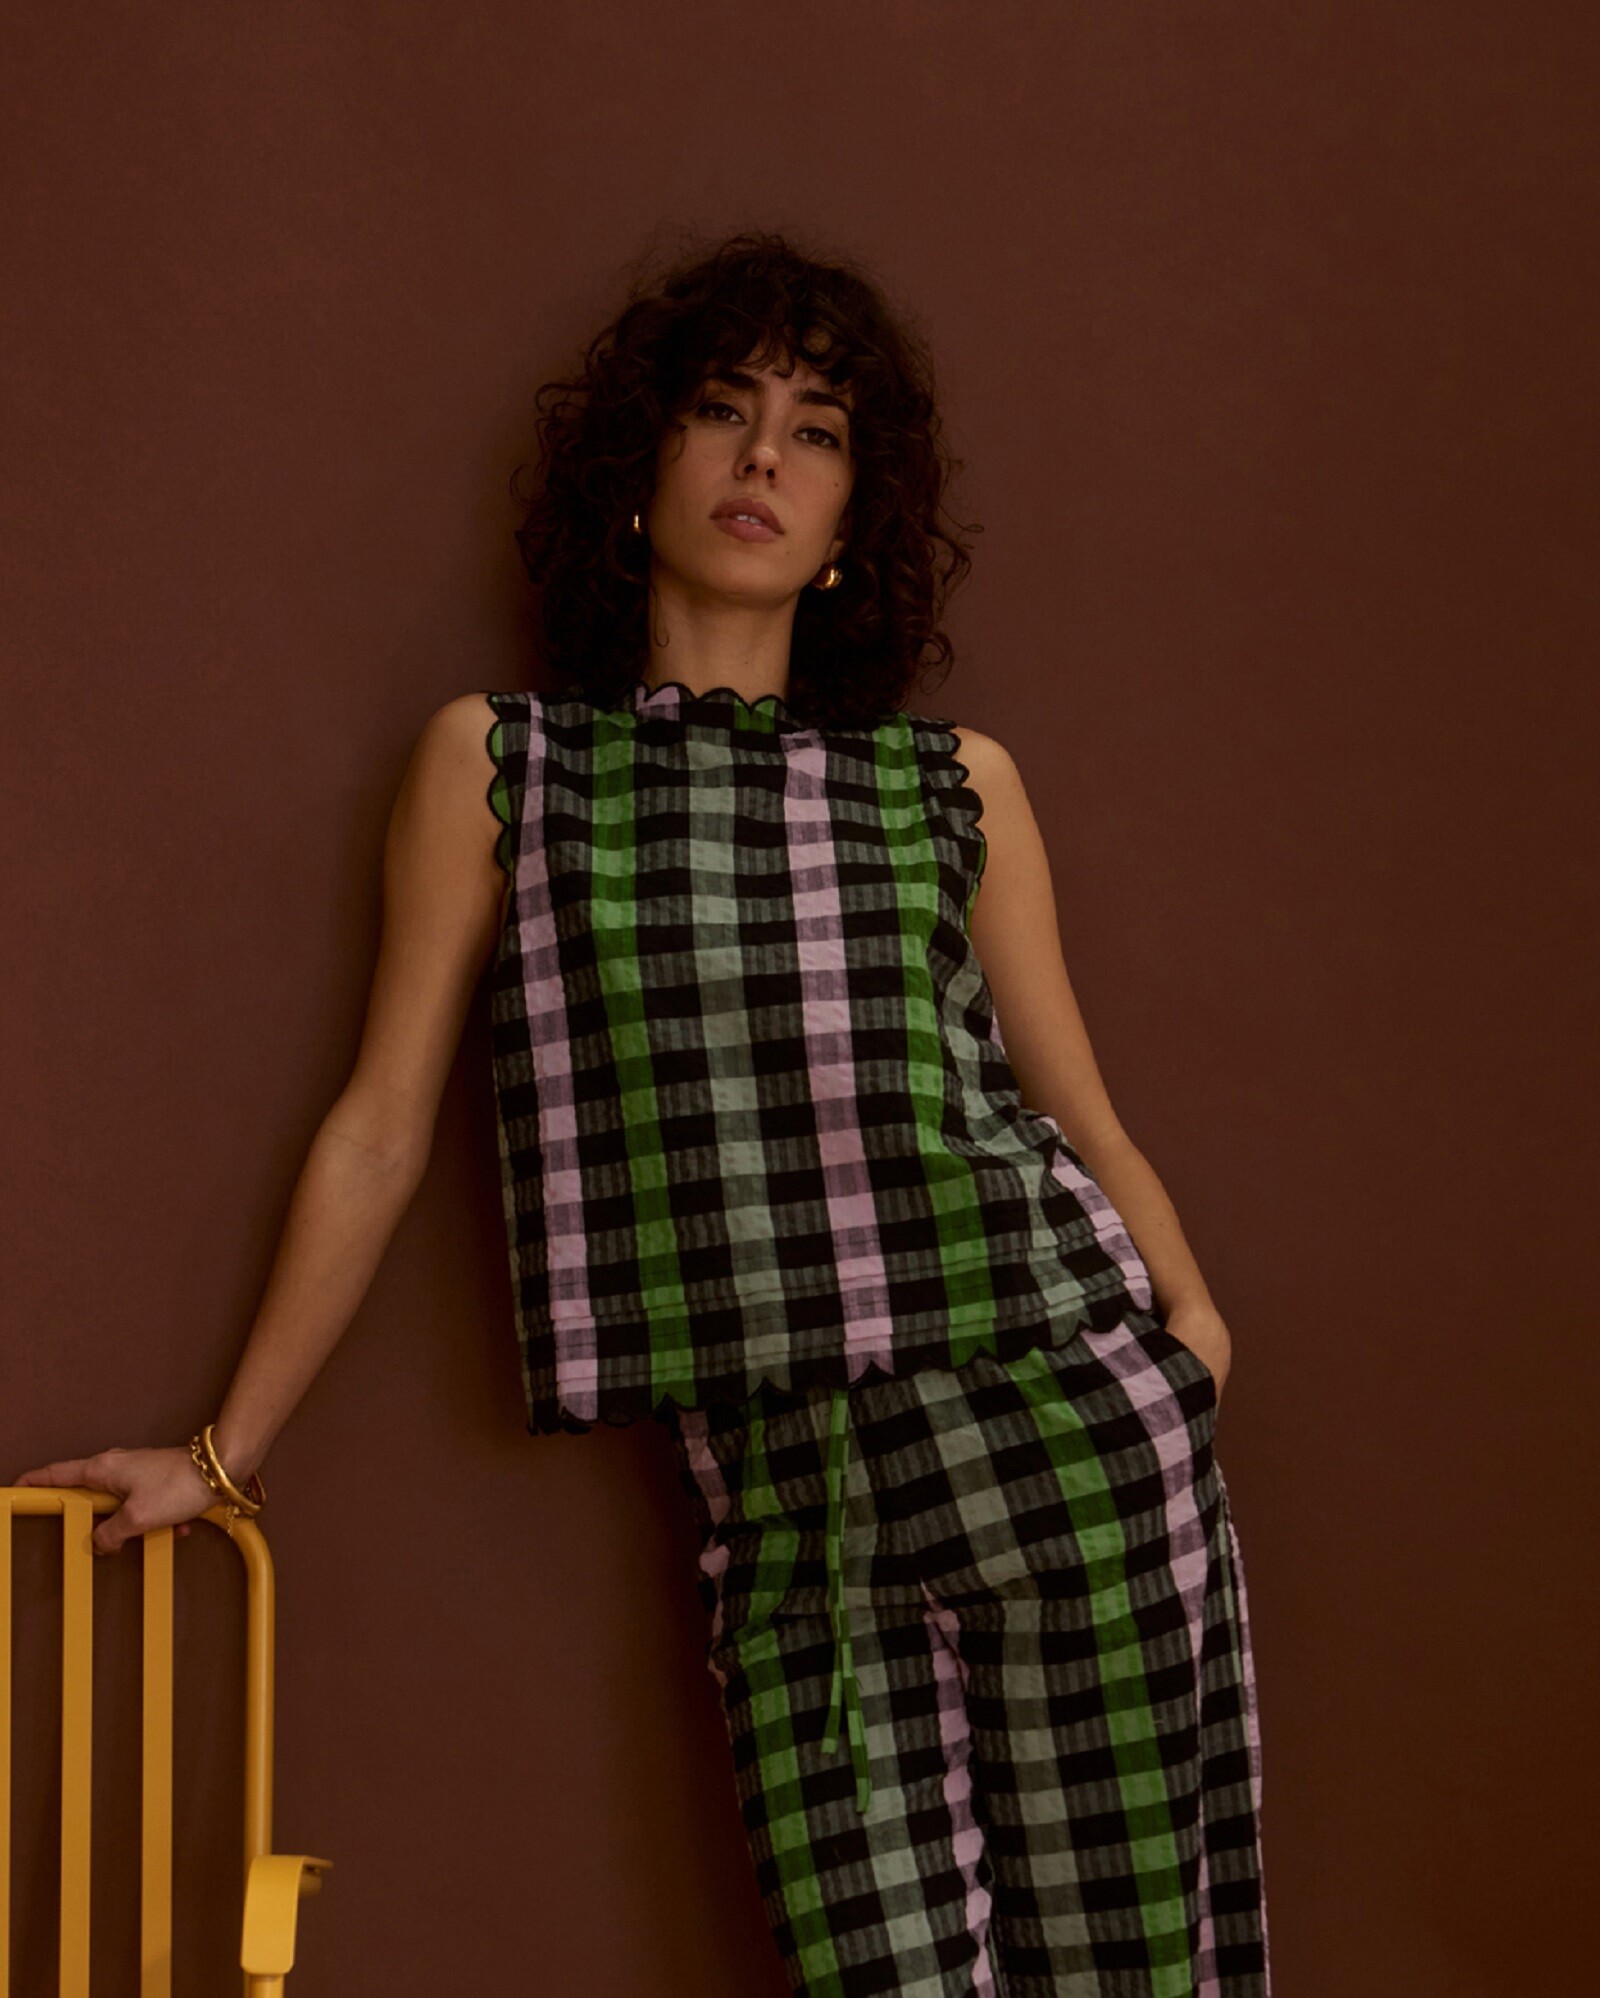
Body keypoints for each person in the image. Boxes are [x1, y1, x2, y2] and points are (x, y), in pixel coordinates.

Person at [15, 230, 1270, 1994]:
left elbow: (1084, 1116)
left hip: (1056, 1431)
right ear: (638, 469)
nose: (764, 457)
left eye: (818, 432)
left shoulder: (949, 786)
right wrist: (226, 1451)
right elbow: (379, 1126)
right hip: (784, 1491)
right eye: (722, 409)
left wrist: (1192, 1329)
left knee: (1139, 1963)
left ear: (852, 529)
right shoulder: (505, 765)